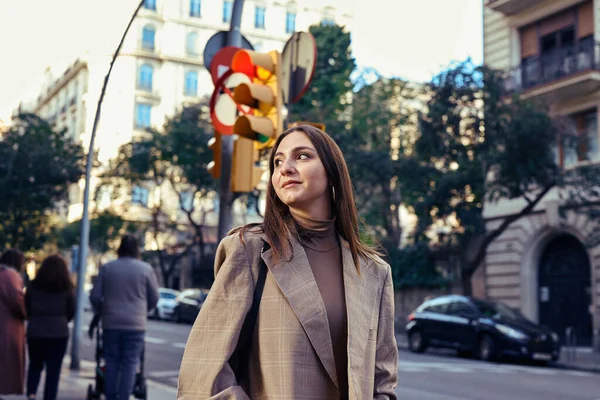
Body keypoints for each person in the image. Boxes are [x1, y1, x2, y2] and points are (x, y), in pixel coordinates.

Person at [178, 125, 398, 399]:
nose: (285, 168)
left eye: (302, 156)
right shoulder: (249, 249)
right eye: (278, 161)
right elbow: (204, 370)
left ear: (332, 171)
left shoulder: (374, 272)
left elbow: (382, 379)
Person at [90, 234, 159, 400]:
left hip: (111, 323)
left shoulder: (107, 268)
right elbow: (154, 297)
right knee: (130, 363)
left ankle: (110, 397)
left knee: (111, 362)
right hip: (135, 325)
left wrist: (104, 309)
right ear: (137, 249)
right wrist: (143, 310)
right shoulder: (145, 269)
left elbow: (94, 296)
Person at [25, 254, 76, 400]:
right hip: (58, 332)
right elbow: (71, 310)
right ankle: (49, 397)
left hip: (36, 331)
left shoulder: (34, 286)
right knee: (53, 371)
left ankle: (31, 393)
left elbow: (27, 307)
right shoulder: (66, 287)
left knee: (35, 365)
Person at [0, 249, 27, 395]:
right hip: (8, 327)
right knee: (7, 364)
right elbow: (17, 301)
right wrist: (26, 312)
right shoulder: (11, 276)